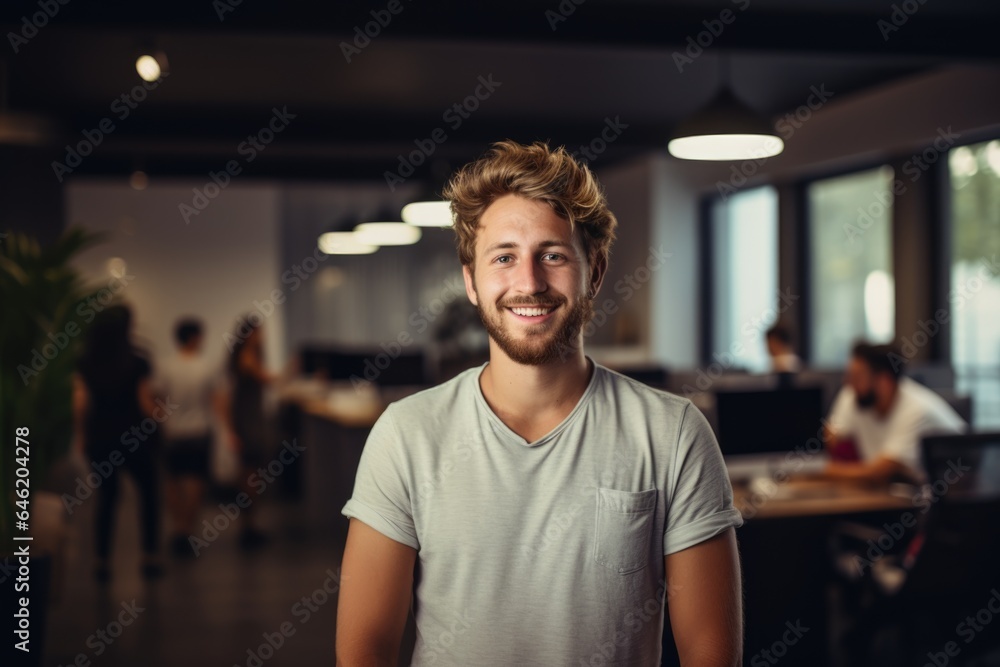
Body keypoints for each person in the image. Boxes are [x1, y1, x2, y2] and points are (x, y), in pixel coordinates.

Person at [337, 141, 744, 666]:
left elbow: (712, 657)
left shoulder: (673, 433)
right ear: (471, 282)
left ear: (593, 272)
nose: (528, 282)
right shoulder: (406, 434)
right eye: (503, 257)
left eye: (552, 255)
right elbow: (364, 648)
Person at [74, 304, 163, 582]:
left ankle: (102, 561)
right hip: (135, 436)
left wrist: (81, 435)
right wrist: (162, 419)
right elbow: (144, 402)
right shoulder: (138, 360)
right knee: (148, 493)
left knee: (107, 497)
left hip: (101, 437)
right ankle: (149, 556)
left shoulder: (86, 361)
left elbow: (81, 402)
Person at [821, 341, 966, 483]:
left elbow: (878, 472)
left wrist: (823, 470)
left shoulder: (917, 409)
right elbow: (832, 435)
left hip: (951, 492)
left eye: (857, 377)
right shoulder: (855, 394)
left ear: (885, 381)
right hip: (902, 489)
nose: (848, 383)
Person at [155, 318, 226, 557]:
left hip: (172, 430)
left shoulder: (165, 366)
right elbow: (216, 400)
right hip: (198, 430)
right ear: (195, 338)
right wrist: (227, 430)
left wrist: (160, 418)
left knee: (172, 481)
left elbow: (155, 396)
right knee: (195, 481)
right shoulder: (205, 367)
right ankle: (188, 528)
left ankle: (178, 527)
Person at [226, 315, 274, 549]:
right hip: (248, 422)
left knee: (249, 473)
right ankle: (248, 527)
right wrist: (293, 370)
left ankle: (249, 525)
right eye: (259, 332)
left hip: (247, 420)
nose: (262, 337)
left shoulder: (243, 356)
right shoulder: (246, 356)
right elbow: (267, 379)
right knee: (250, 475)